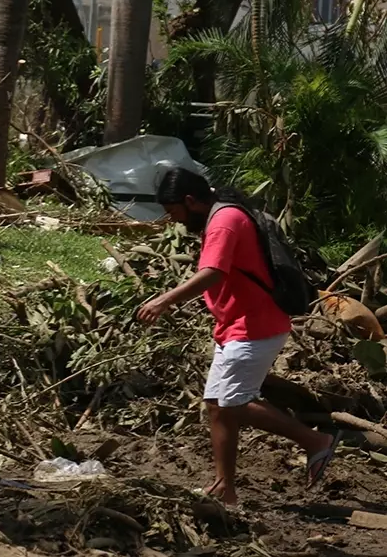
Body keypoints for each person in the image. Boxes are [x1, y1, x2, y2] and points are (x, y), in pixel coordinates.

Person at [137, 167, 340, 506]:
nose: (175, 221)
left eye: (175, 213)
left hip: (253, 327)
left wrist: (163, 300)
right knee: (218, 406)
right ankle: (224, 488)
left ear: (190, 201)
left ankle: (314, 442)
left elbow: (213, 272)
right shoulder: (224, 213)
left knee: (232, 404)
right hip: (239, 326)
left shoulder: (224, 221)